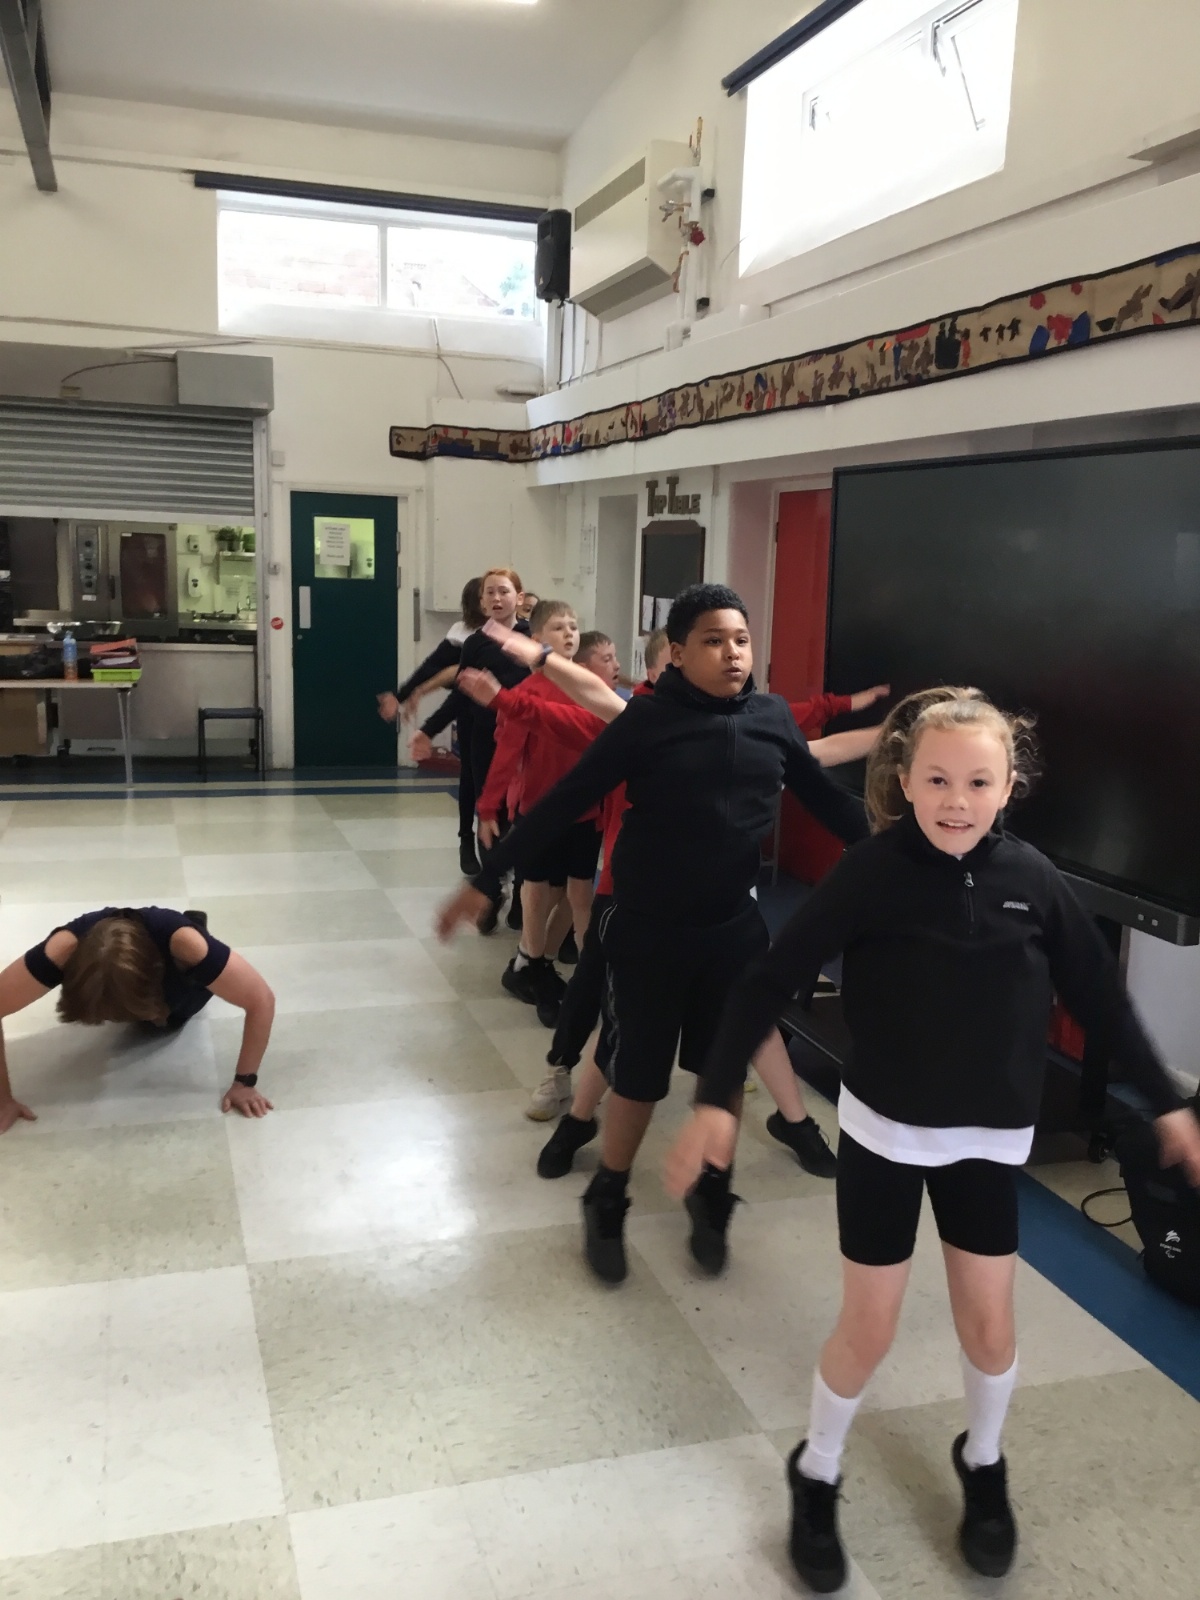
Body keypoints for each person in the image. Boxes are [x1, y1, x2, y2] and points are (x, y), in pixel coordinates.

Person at [666, 686, 1200, 1593]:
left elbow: (1099, 996)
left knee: (989, 1326)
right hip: (887, 1133)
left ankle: (983, 1460)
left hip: (988, 1140)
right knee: (868, 1328)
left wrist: (1167, 1103)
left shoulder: (1034, 879)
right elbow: (768, 980)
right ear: (905, 780)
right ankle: (817, 1469)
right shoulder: (870, 872)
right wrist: (716, 1096)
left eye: (978, 782)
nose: (957, 799)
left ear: (1009, 786)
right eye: (939, 779)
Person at [438, 583, 869, 1284]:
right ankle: (607, 1195)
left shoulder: (768, 719)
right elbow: (566, 801)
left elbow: (830, 804)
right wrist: (487, 879)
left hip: (732, 931)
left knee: (722, 1070)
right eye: (713, 641)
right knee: (638, 1076)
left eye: (741, 640)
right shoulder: (648, 719)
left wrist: (908, 856)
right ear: (678, 652)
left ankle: (712, 1191)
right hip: (646, 930)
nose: (732, 654)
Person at [0, 907, 276, 1132]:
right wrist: (3, 1098)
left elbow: (261, 1001)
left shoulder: (186, 945)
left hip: (180, 978)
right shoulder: (63, 949)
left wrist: (244, 1084)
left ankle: (196, 926)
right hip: (151, 963)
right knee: (139, 1018)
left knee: (171, 1021)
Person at [477, 599, 603, 1024]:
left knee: (577, 893)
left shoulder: (588, 686)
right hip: (539, 810)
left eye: (574, 627)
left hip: (584, 809)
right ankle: (532, 969)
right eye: (558, 628)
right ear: (536, 640)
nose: (569, 634)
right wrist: (488, 807)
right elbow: (506, 755)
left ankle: (563, 969)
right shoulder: (527, 692)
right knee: (537, 892)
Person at [413, 567, 532, 924]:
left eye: (504, 591)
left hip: (526, 741)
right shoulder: (475, 644)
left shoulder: (533, 640)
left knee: (523, 816)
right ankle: (491, 891)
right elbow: (462, 695)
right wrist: (428, 730)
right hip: (485, 738)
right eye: (489, 592)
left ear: (519, 598)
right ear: (481, 602)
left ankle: (523, 893)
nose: (496, 598)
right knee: (489, 812)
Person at [380, 576, 485, 875]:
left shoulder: (516, 634)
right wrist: (401, 695)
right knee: (471, 776)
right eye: (487, 594)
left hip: (506, 716)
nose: (495, 599)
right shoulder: (463, 634)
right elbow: (435, 666)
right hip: (469, 712)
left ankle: (498, 851)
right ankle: (467, 839)